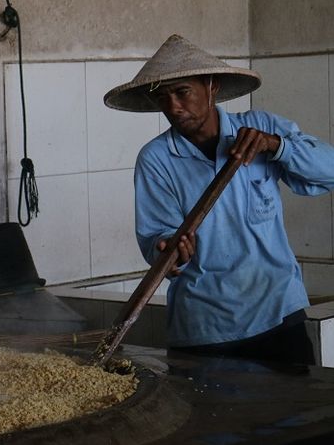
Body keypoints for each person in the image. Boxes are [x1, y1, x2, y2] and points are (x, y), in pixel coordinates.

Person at [103, 34, 334, 365]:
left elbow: (329, 171)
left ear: (211, 87)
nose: (173, 108)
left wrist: (277, 146)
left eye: (182, 92)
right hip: (204, 329)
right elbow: (156, 239)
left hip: (279, 316)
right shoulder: (156, 159)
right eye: (163, 98)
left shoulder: (261, 128)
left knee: (292, 415)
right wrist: (169, 250)